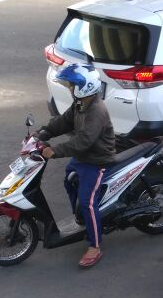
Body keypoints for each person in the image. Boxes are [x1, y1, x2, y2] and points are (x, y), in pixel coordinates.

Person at [36, 64, 116, 269]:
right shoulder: (81, 104)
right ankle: (81, 219)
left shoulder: (96, 110)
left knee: (88, 202)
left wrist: (55, 150)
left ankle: (95, 246)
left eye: (72, 85)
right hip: (83, 158)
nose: (70, 88)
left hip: (97, 160)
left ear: (84, 87)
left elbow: (83, 141)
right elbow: (63, 122)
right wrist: (45, 132)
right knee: (69, 179)